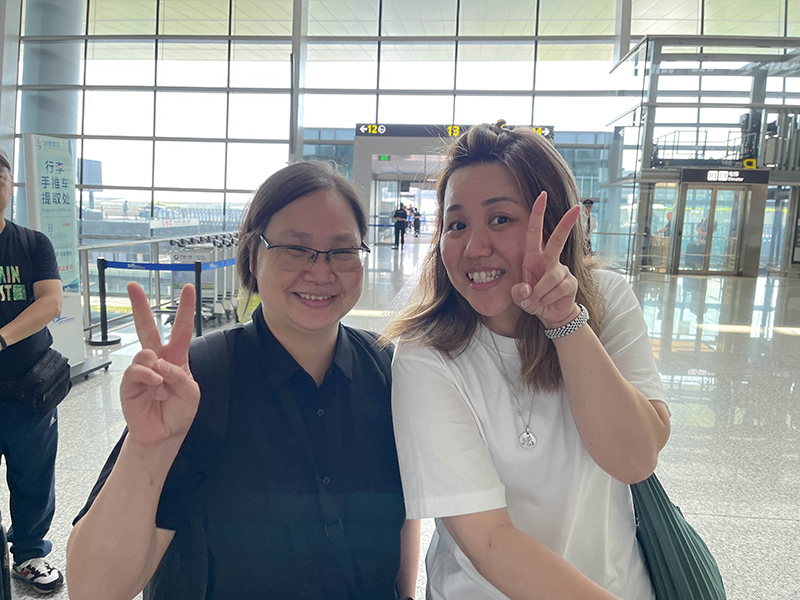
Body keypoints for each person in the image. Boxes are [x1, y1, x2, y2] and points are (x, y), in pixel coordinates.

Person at [67, 161, 419, 600]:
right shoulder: (196, 382)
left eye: (342, 250)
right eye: (295, 248)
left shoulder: (385, 368)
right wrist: (148, 446)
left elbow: (404, 513)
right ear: (253, 255)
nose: (321, 271)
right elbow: (93, 589)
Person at [385, 123, 671, 599]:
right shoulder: (425, 353)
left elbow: (634, 459)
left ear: (555, 223)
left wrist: (566, 322)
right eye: (456, 225)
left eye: (500, 219)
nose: (474, 247)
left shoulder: (606, 300)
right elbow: (489, 541)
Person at [0, 148, 65, 594]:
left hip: (28, 387)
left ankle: (29, 553)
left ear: (10, 186)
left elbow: (50, 302)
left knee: (34, 474)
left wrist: (0, 338)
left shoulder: (32, 243)